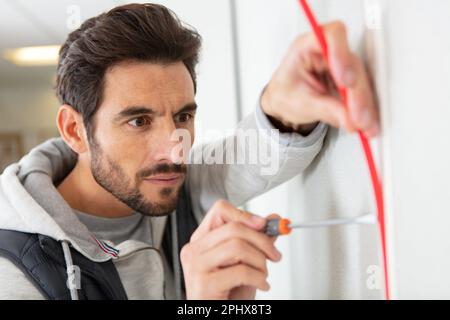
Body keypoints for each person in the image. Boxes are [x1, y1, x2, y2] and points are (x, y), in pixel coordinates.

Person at [0, 3, 378, 300]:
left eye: (183, 116)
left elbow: (252, 156)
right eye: (138, 122)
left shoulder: (171, 186)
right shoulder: (15, 274)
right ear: (75, 130)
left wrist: (283, 105)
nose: (175, 149)